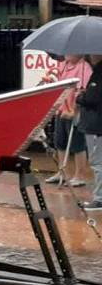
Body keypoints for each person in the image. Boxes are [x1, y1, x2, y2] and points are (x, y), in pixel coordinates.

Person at [44, 54, 92, 186]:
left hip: (74, 112)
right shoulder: (63, 65)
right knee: (60, 142)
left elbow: (82, 91)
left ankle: (79, 175)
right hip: (61, 110)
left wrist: (74, 111)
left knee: (78, 144)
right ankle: (62, 172)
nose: (67, 54)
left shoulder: (84, 67)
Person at [76, 55, 102, 212]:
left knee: (98, 162)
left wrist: (81, 96)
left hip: (97, 125)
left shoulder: (99, 73)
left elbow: (92, 98)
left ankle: (100, 199)